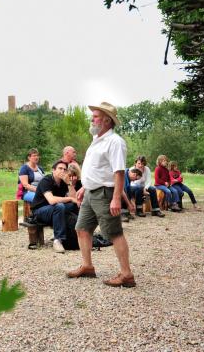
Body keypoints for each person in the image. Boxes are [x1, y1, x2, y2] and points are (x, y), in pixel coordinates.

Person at [67, 101, 136, 288]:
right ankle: (88, 266)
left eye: (95, 116)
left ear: (106, 120)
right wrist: (84, 187)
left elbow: (119, 172)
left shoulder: (115, 142)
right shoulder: (96, 140)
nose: (92, 119)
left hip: (105, 193)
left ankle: (126, 274)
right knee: (81, 228)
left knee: (114, 233)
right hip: (91, 192)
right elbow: (96, 170)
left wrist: (115, 198)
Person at [30, 160, 78, 253]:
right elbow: (51, 200)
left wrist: (69, 184)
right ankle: (58, 240)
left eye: (65, 169)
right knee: (59, 206)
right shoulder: (46, 180)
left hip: (55, 210)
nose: (62, 171)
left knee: (73, 206)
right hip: (40, 211)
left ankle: (79, 234)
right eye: (60, 168)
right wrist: (70, 199)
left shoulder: (64, 182)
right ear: (53, 170)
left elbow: (74, 198)